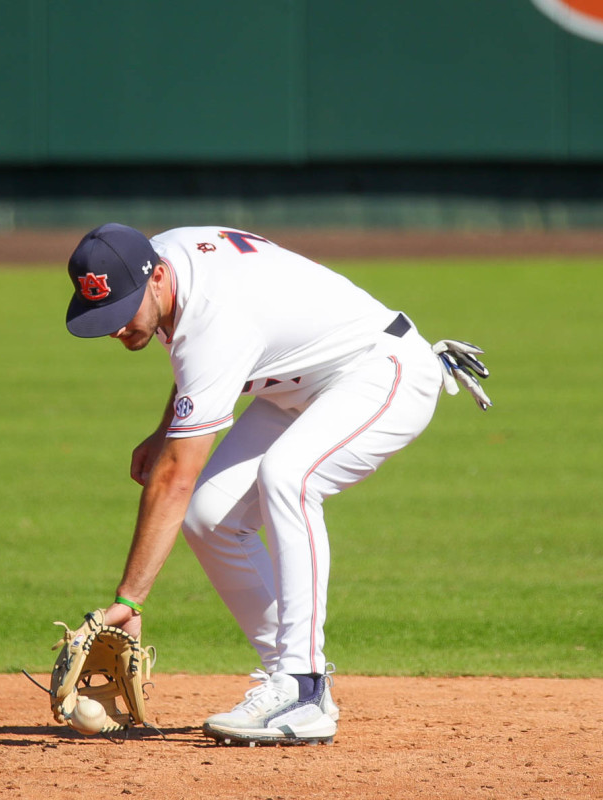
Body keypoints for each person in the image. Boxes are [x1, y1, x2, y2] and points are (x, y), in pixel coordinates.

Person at [63, 223, 487, 746]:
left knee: (289, 476)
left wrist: (129, 602)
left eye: (122, 309)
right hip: (303, 386)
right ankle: (285, 677)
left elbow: (174, 476)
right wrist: (164, 427)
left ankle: (304, 687)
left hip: (383, 372)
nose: (114, 327)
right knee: (210, 517)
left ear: (156, 279)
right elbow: (200, 362)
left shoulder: (211, 311)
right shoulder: (164, 262)